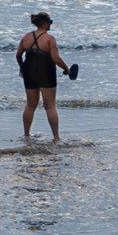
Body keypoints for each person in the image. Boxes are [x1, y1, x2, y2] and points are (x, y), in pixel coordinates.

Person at [16, 12, 78, 140]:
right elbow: (56, 58)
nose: (50, 24)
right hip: (45, 72)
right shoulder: (49, 39)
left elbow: (18, 55)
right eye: (50, 22)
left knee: (30, 105)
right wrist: (67, 69)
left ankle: (26, 135)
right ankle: (56, 137)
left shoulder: (26, 37)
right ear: (45, 23)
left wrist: (22, 68)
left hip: (29, 72)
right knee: (50, 106)